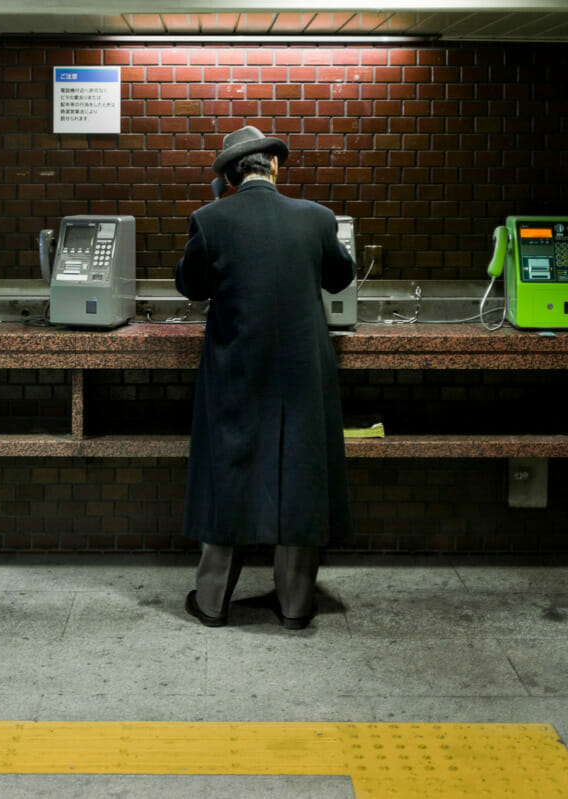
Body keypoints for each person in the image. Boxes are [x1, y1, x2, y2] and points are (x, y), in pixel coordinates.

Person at [176, 124, 356, 630]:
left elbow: (191, 286)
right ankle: (296, 605)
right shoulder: (317, 219)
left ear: (230, 177)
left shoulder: (210, 218)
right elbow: (341, 277)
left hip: (237, 368)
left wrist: (212, 216)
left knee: (227, 471)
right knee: (299, 474)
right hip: (302, 372)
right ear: (274, 167)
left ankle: (212, 602)